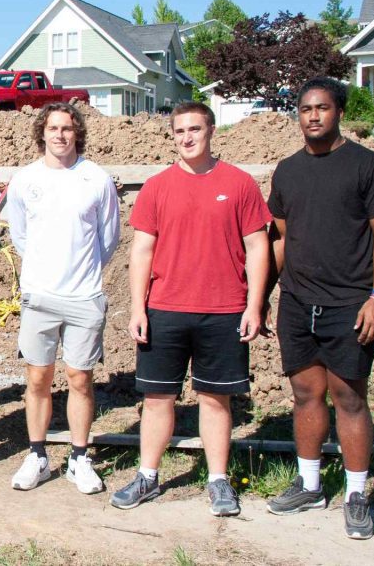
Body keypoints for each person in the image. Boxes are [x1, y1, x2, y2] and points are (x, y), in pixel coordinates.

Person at [109, 102, 270, 517]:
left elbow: (257, 247)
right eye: (179, 131)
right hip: (165, 309)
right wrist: (138, 309)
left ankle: (218, 480)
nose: (187, 138)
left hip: (223, 311)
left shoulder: (239, 184)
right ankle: (148, 474)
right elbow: (141, 251)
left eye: (194, 129)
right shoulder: (158, 187)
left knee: (216, 399)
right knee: (158, 398)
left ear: (211, 130)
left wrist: (254, 305)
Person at [264, 77, 374, 540]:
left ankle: (357, 493)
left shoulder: (368, 166)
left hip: (350, 304)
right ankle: (310, 483)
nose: (313, 116)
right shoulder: (287, 171)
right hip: (298, 303)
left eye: (322, 108)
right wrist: (262, 295)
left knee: (350, 397)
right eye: (305, 109)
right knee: (305, 394)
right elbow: (280, 239)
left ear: (338, 111)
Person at [4, 102, 120, 494]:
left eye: (67, 128)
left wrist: (82, 272)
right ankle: (37, 455)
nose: (60, 135)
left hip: (84, 296)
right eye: (53, 128)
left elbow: (108, 238)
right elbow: (20, 235)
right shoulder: (25, 180)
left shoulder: (96, 179)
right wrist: (43, 271)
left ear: (77, 133)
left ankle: (79, 458)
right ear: (43, 132)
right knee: (38, 377)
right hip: (39, 296)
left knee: (80, 378)